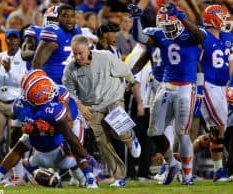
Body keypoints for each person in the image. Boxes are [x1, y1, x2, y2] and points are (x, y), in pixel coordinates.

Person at [129, 3, 205, 185]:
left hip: (187, 87)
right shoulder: (159, 34)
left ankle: (187, 176)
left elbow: (200, 35)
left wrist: (180, 17)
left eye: (172, 27)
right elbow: (139, 37)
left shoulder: (192, 34)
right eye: (166, 28)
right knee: (154, 131)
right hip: (165, 85)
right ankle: (172, 163)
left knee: (182, 132)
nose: (169, 32)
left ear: (179, 22)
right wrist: (136, 18)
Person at [0, 75, 98, 189]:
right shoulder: (23, 105)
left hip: (69, 125)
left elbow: (68, 129)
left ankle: (90, 178)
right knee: (18, 147)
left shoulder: (58, 103)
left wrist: (50, 130)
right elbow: (15, 115)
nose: (51, 89)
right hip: (44, 129)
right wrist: (29, 126)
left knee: (73, 148)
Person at [63, 35, 141, 187]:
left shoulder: (105, 57)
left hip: (113, 98)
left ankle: (131, 139)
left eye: (81, 53)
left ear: (89, 49)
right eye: (75, 53)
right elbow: (69, 92)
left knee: (118, 127)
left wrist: (132, 82)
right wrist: (81, 107)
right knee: (101, 140)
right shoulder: (70, 69)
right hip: (92, 106)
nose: (78, 57)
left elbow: (125, 70)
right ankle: (119, 177)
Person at [0, 28, 28, 187]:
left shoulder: (24, 59)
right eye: (9, 38)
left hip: (16, 103)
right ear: (6, 40)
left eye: (14, 38)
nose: (11, 41)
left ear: (19, 41)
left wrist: (9, 72)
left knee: (15, 141)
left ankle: (18, 177)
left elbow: (22, 82)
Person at [197, 4, 233, 182]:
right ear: (213, 19)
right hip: (208, 85)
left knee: (219, 129)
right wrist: (198, 85)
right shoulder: (202, 35)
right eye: (223, 17)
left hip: (223, 86)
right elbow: (196, 61)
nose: (227, 20)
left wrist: (231, 84)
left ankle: (181, 155)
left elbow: (231, 61)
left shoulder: (228, 36)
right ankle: (218, 172)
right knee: (219, 127)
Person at [32, 4, 82, 84]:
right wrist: (40, 85)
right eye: (65, 16)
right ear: (58, 18)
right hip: (53, 85)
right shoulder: (54, 33)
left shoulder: (76, 32)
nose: (69, 19)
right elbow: (37, 64)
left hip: (71, 84)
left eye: (72, 16)